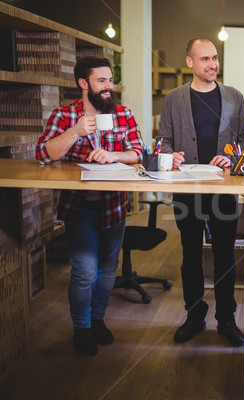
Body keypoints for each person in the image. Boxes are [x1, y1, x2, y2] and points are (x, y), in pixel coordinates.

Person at [35, 56, 144, 356]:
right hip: (79, 207)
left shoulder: (122, 113)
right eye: (102, 81)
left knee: (108, 268)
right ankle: (81, 327)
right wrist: (75, 132)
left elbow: (139, 153)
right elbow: (44, 155)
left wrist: (115, 156)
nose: (109, 86)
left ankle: (98, 320)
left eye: (110, 80)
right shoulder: (64, 114)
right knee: (84, 271)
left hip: (115, 205)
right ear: (83, 84)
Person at [159, 38, 244, 347]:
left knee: (225, 256)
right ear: (190, 62)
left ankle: (227, 319)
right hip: (187, 190)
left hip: (223, 191)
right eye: (205, 58)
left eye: (215, 58)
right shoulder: (173, 99)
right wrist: (170, 156)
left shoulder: (234, 97)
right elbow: (163, 141)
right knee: (190, 255)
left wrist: (233, 157)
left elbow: (243, 142)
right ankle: (194, 316)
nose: (212, 64)